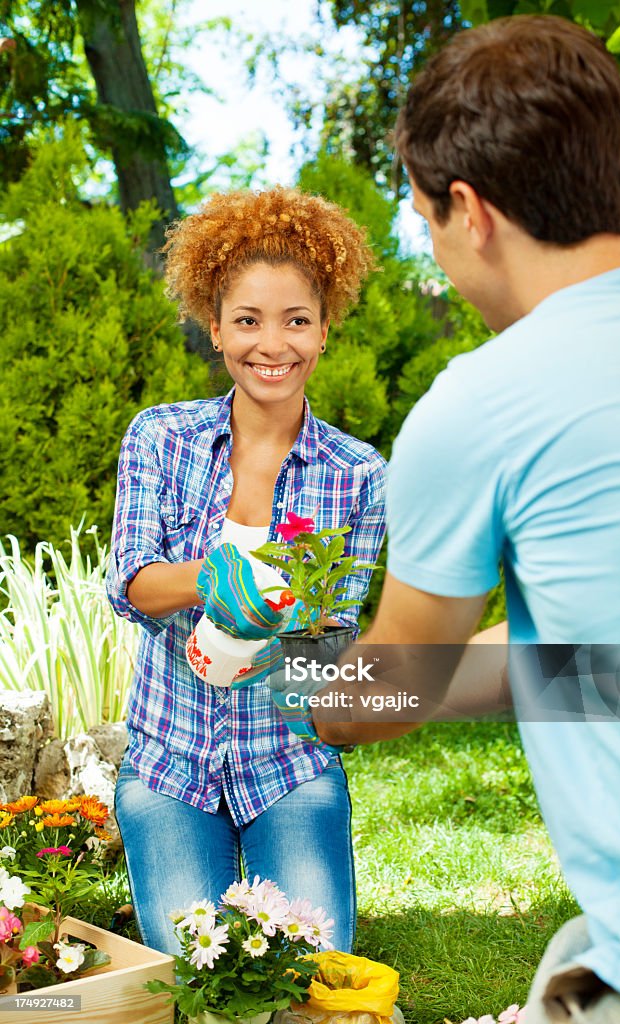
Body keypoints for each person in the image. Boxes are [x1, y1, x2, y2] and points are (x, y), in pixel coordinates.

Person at [287, 15, 620, 1024]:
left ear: (468, 210)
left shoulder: (485, 402)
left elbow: (383, 694)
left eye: (422, 219)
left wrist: (294, 673)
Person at [106, 186, 386, 955]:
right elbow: (129, 585)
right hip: (170, 763)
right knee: (196, 969)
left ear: (325, 330)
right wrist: (208, 578)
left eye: (297, 320)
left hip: (287, 764)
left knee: (302, 964)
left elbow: (334, 635)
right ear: (216, 328)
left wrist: (286, 640)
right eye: (249, 320)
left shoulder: (356, 474)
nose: (274, 345)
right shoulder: (161, 439)